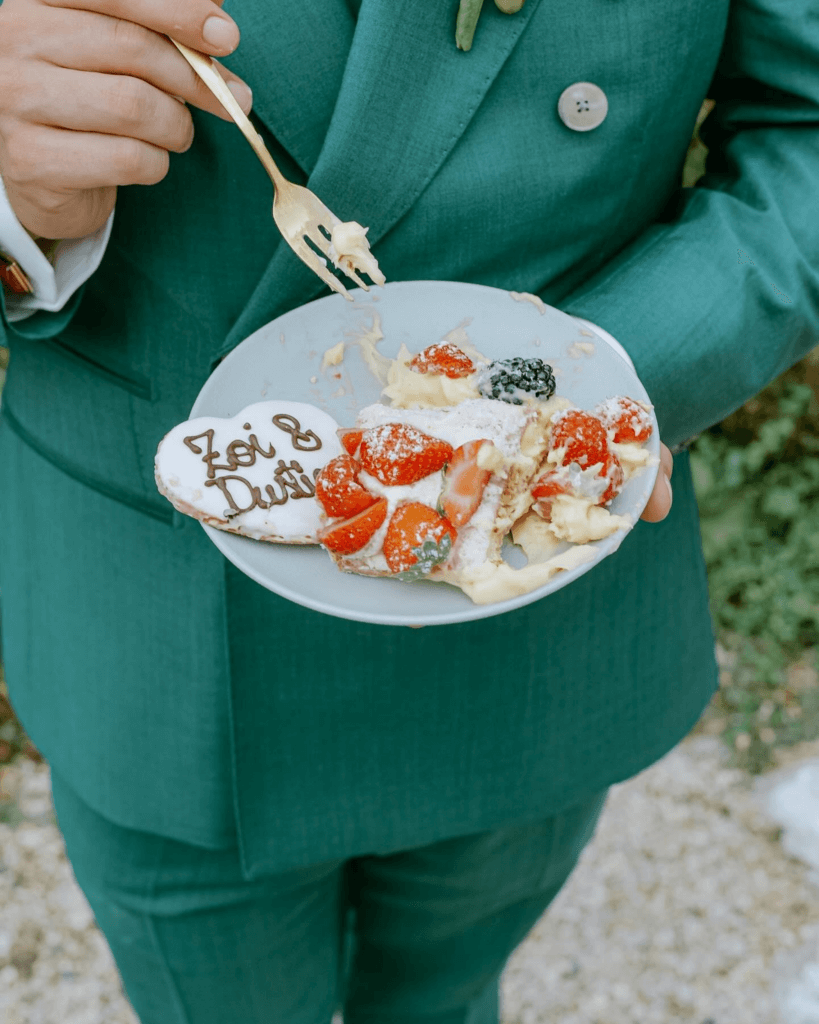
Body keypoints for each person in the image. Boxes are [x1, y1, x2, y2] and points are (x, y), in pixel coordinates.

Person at [0, 0, 816, 1022]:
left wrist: (582, 406)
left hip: (528, 636)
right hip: (158, 630)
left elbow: (807, 129)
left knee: (449, 995)